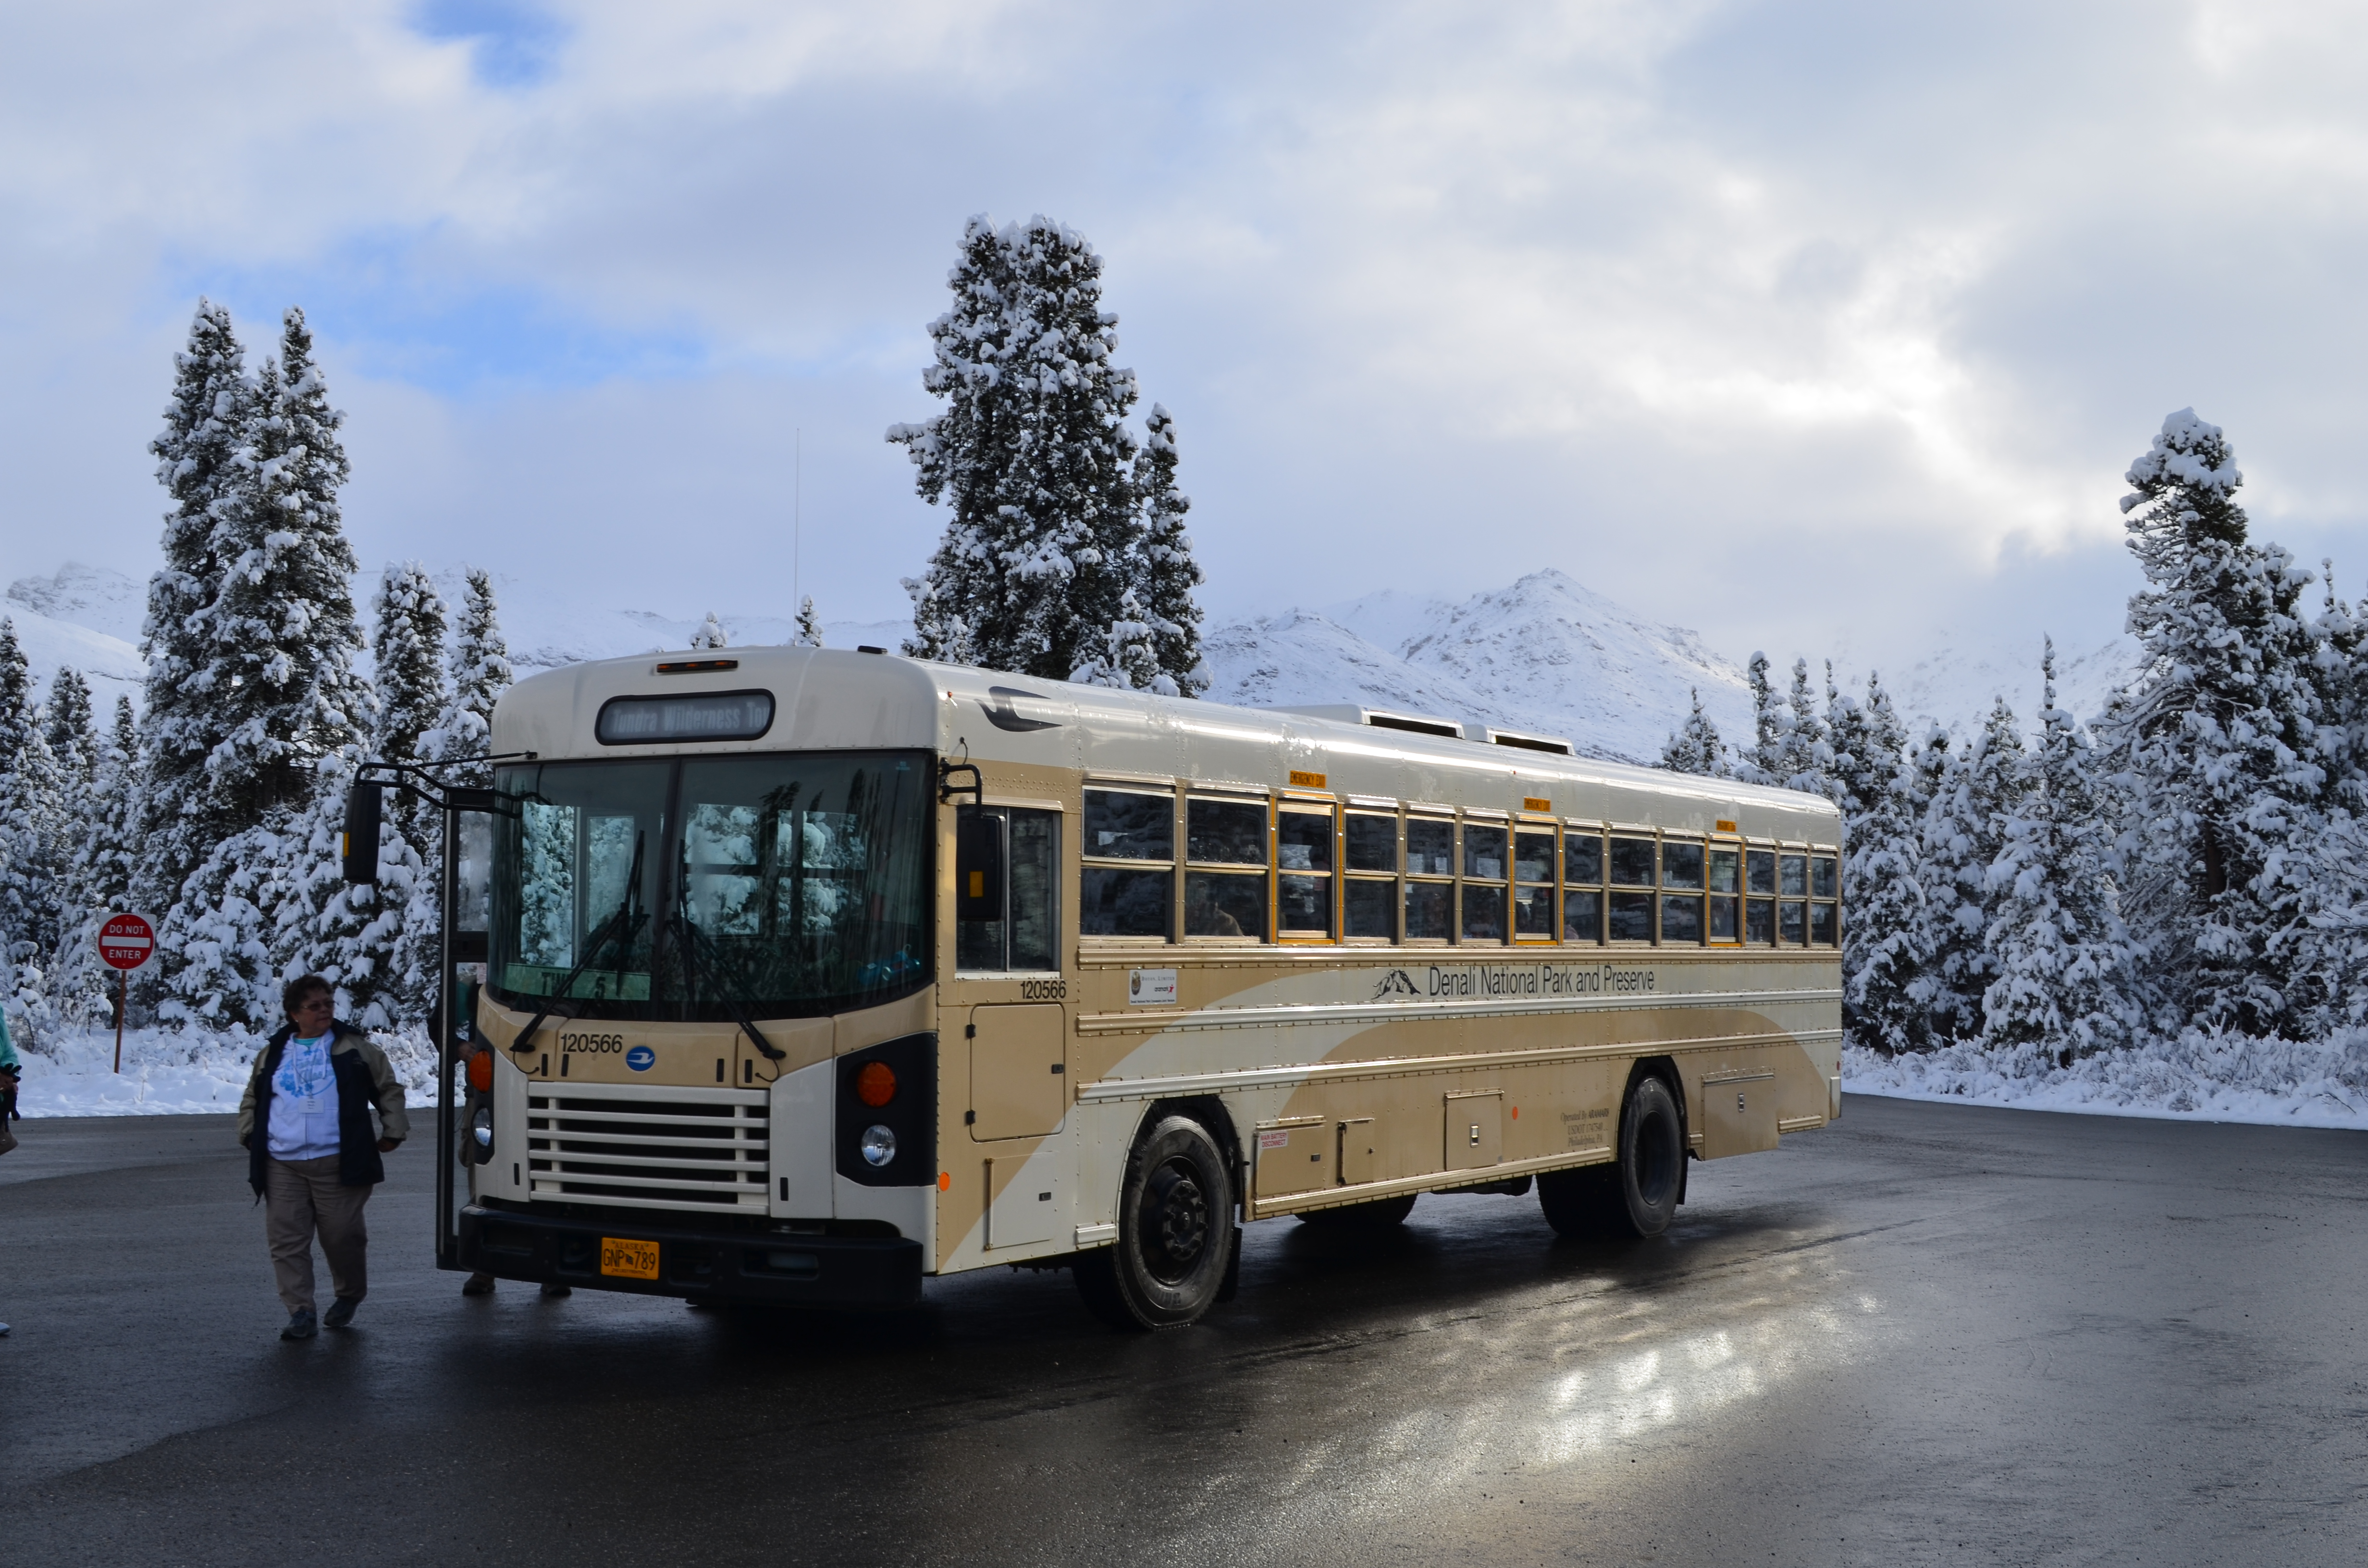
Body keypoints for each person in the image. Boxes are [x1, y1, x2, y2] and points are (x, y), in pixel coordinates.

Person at [237, 976, 409, 1340]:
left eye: (329, 1003)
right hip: (282, 1163)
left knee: (342, 1237)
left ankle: (349, 1295)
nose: (325, 1011)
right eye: (314, 1006)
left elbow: (387, 1087)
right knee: (287, 1241)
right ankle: (301, 1311)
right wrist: (250, 1132)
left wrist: (393, 1129)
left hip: (338, 1161)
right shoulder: (274, 1052)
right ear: (294, 1014)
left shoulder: (354, 1047)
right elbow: (253, 1095)